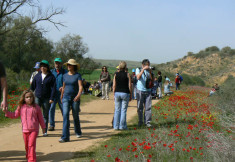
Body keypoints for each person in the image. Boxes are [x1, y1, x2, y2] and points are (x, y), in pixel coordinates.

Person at [3, 89, 46, 162]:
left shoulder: (36, 107)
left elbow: (41, 118)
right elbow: (15, 115)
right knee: (27, 145)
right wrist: (6, 112)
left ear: (33, 98)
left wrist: (43, 127)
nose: (29, 98)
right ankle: (28, 155)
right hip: (25, 130)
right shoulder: (21, 107)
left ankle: (32, 159)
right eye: (27, 97)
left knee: (31, 144)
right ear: (24, 98)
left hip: (34, 130)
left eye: (30, 97)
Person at [59, 59, 83, 143]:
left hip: (75, 98)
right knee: (65, 115)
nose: (68, 66)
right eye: (68, 64)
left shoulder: (77, 75)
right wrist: (61, 96)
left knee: (75, 115)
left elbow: (80, 87)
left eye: (70, 64)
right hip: (65, 97)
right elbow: (64, 87)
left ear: (74, 66)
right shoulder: (65, 75)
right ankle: (65, 137)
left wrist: (78, 95)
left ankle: (78, 131)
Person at [31, 60, 56, 136]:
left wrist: (51, 98)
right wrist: (29, 96)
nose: (43, 68)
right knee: (35, 114)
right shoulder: (37, 76)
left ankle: (44, 131)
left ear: (47, 68)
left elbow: (53, 89)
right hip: (37, 97)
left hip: (46, 98)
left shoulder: (51, 77)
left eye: (44, 66)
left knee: (45, 115)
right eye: (41, 66)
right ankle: (35, 131)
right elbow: (32, 87)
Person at [48, 58, 68, 131]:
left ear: (61, 64)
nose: (57, 64)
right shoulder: (51, 72)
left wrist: (63, 87)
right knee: (51, 109)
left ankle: (66, 124)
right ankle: (51, 125)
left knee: (64, 109)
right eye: (56, 63)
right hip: (53, 94)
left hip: (62, 94)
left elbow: (67, 82)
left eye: (59, 63)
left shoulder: (65, 72)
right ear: (54, 64)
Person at [112, 61, 132, 130]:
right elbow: (129, 85)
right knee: (123, 110)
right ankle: (122, 126)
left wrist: (113, 94)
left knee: (117, 110)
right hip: (125, 93)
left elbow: (114, 85)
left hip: (117, 93)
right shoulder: (127, 74)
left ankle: (115, 126)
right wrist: (131, 94)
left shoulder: (116, 74)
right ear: (125, 66)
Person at [136, 59, 153, 127]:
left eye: (148, 65)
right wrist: (143, 70)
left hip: (148, 90)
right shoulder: (138, 69)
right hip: (140, 90)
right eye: (147, 65)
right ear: (143, 65)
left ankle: (147, 122)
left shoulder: (149, 71)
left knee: (148, 107)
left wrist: (150, 71)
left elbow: (152, 79)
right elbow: (138, 77)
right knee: (140, 107)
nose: (148, 66)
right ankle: (140, 121)